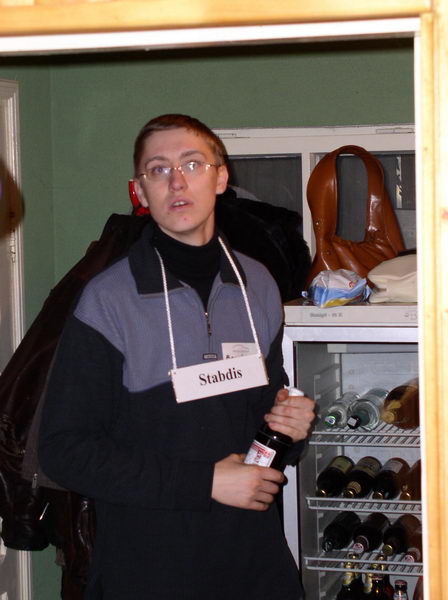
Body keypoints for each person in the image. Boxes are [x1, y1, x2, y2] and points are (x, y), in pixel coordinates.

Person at [38, 114, 315, 600]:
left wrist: (287, 429)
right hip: (149, 566)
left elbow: (260, 419)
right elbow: (64, 452)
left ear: (221, 178)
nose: (177, 181)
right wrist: (205, 482)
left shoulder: (258, 285)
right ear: (140, 192)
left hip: (254, 559)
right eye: (159, 169)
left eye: (192, 164)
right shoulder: (107, 301)